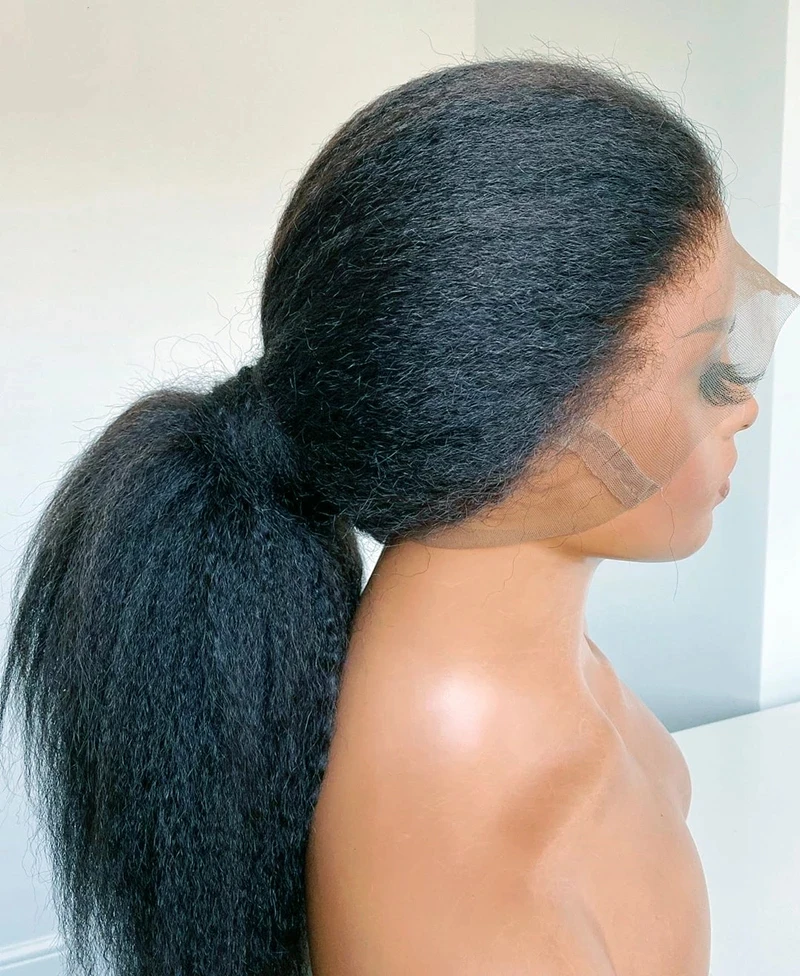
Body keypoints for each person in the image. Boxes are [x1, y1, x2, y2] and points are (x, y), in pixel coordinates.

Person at [1, 55, 798, 976]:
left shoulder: (534, 671)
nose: (744, 404)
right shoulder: (459, 842)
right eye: (707, 374)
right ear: (529, 428)